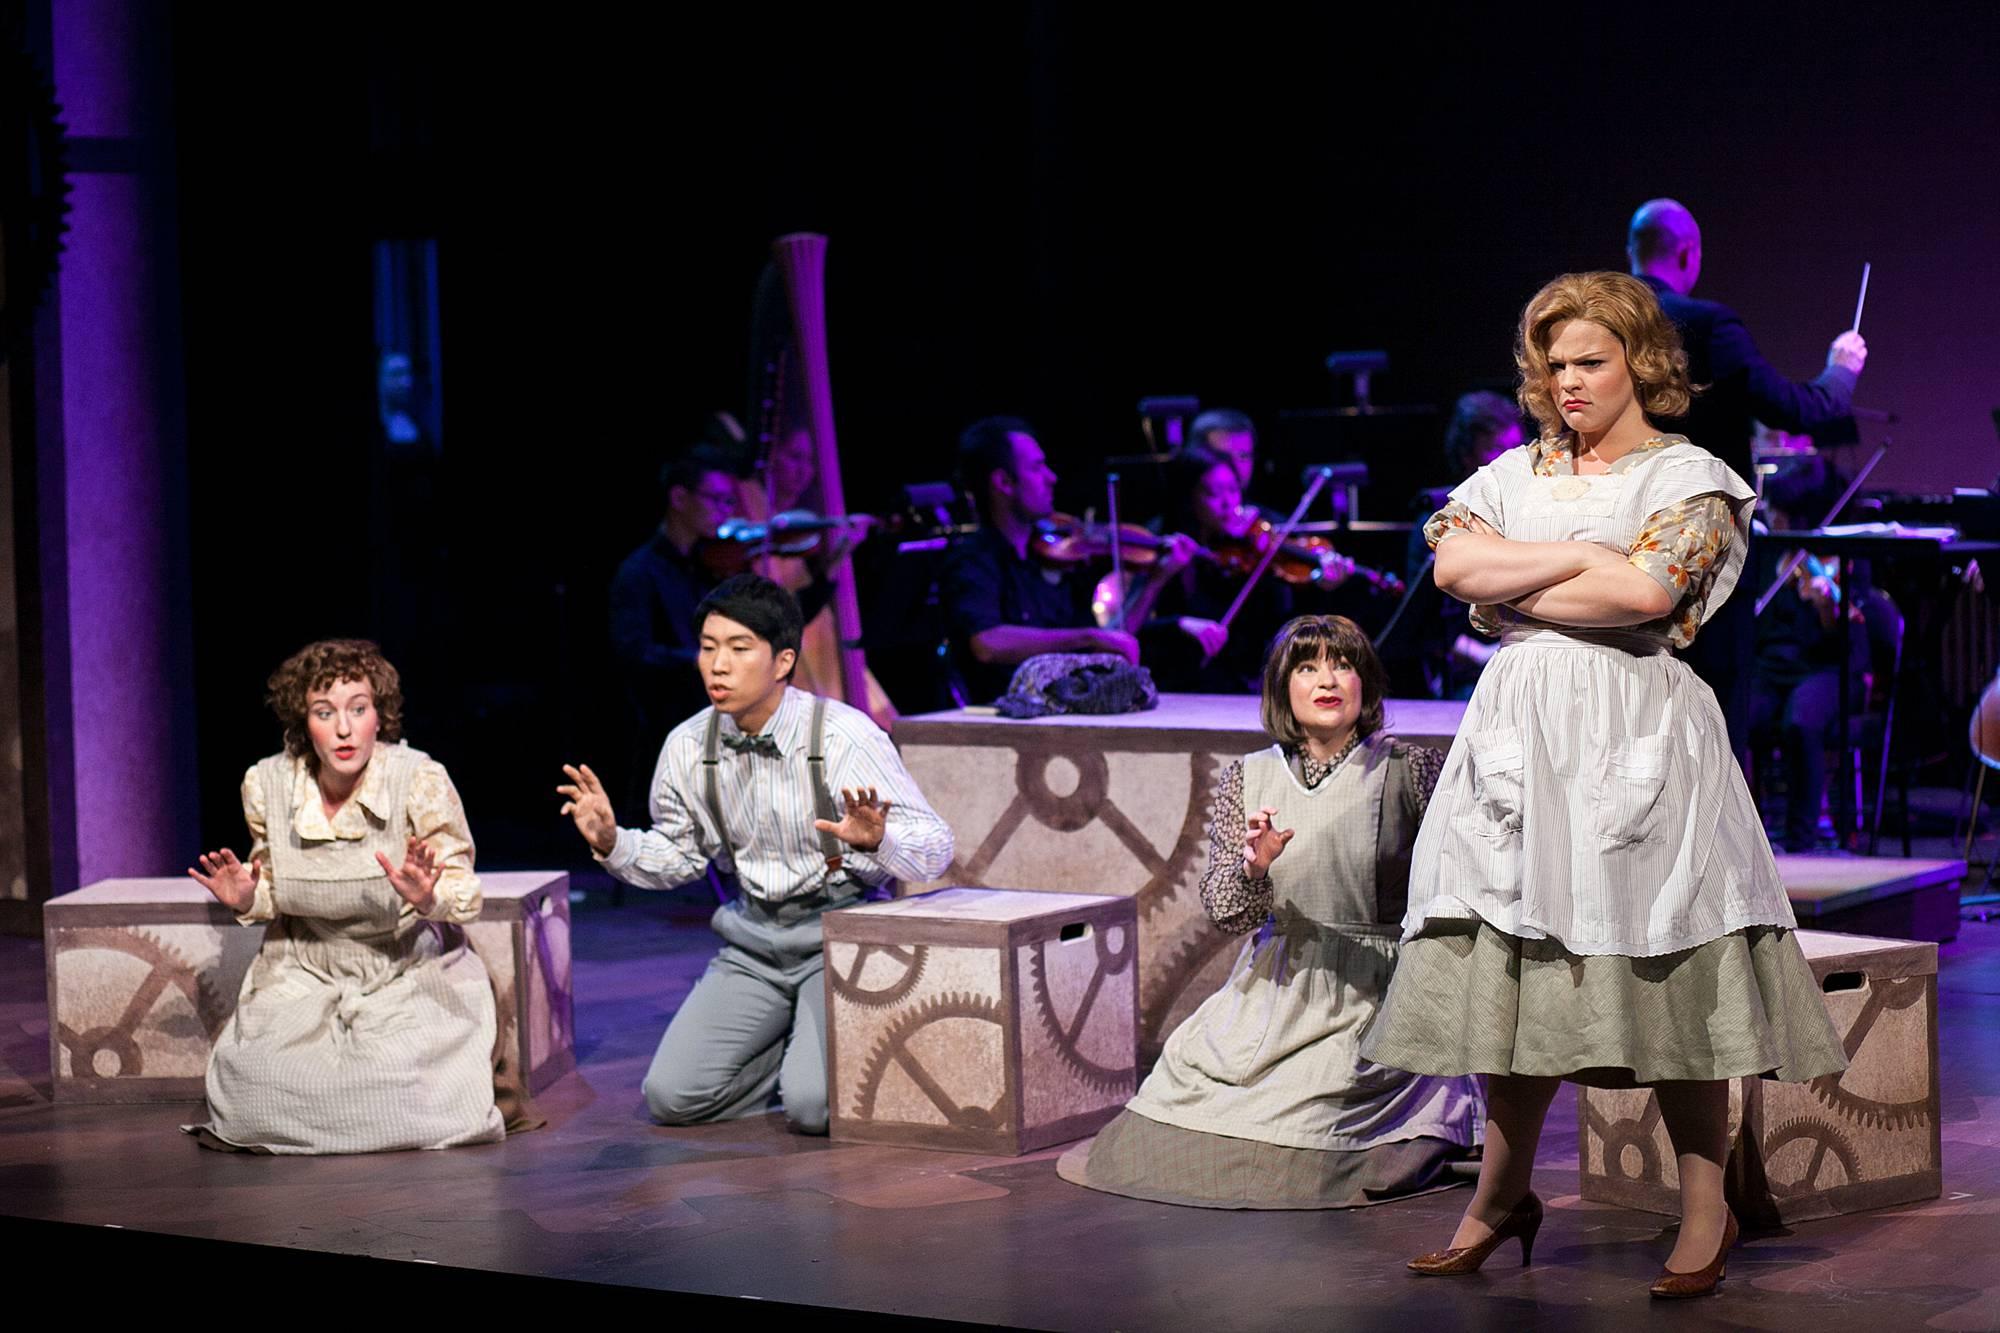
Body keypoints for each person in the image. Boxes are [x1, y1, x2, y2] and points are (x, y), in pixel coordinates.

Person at [1362, 273, 1845, 1297]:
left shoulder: (1687, 476)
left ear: (1639, 363)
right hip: (1518, 740)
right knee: (1513, 965)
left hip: (1637, 731)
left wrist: (1521, 583)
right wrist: (1575, 556)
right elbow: (1449, 569)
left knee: (1666, 965)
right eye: (1551, 365)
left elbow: (1647, 591)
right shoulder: (1511, 470)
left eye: (1589, 361)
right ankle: (1498, 1194)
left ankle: (1703, 1205)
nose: (1566, 381)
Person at [1059, 615, 1483, 1208]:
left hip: (1374, 986)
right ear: (1284, 688)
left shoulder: (1408, 768)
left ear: (1366, 682)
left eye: (1342, 665)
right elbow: (1227, 913)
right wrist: (1253, 869)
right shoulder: (1249, 776)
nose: (1327, 680)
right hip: (1274, 982)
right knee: (1190, 1077)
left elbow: (1461, 876)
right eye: (1307, 668)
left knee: (1321, 1106)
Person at [557, 574, 953, 1134]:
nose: (717, 666)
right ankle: (790, 1059)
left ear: (783, 661)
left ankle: (807, 1070)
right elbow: (680, 856)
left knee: (813, 1109)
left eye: (739, 649)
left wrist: (880, 841)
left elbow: (937, 848)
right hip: (755, 940)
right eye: (708, 647)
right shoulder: (689, 746)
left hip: (838, 936)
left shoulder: (843, 737)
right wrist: (611, 841)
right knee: (671, 1097)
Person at [185, 640, 505, 1154]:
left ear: (379, 716)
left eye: (358, 709)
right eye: (324, 712)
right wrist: (247, 896)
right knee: (253, 1086)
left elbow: (463, 890)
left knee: (404, 1085)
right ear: (302, 721)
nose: (342, 729)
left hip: (402, 963)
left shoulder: (418, 779)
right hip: (302, 964)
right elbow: (273, 887)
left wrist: (428, 896)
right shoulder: (268, 784)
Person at [1626, 198, 1869, 762]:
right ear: (1689, 254)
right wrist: (1841, 371)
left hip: (1622, 538)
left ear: (1632, 252)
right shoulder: (1707, 324)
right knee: (1714, 699)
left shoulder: (1603, 325)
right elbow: (1795, 409)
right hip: (1704, 548)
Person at [939, 416, 1155, 703]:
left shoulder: (1055, 558)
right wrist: (1085, 637)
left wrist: (1155, 583)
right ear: (1003, 482)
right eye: (1037, 467)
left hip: (1066, 711)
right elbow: (987, 642)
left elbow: (1111, 643)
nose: (1051, 477)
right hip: (1003, 720)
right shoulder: (972, 560)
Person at [1132, 445, 1288, 693]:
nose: (1229, 503)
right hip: (1179, 687)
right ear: (1189, 498)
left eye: (1234, 490)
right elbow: (1128, 629)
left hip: (1244, 685)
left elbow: (1275, 620)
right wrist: (1177, 623)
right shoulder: (1166, 547)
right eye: (1215, 494)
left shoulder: (1247, 549)